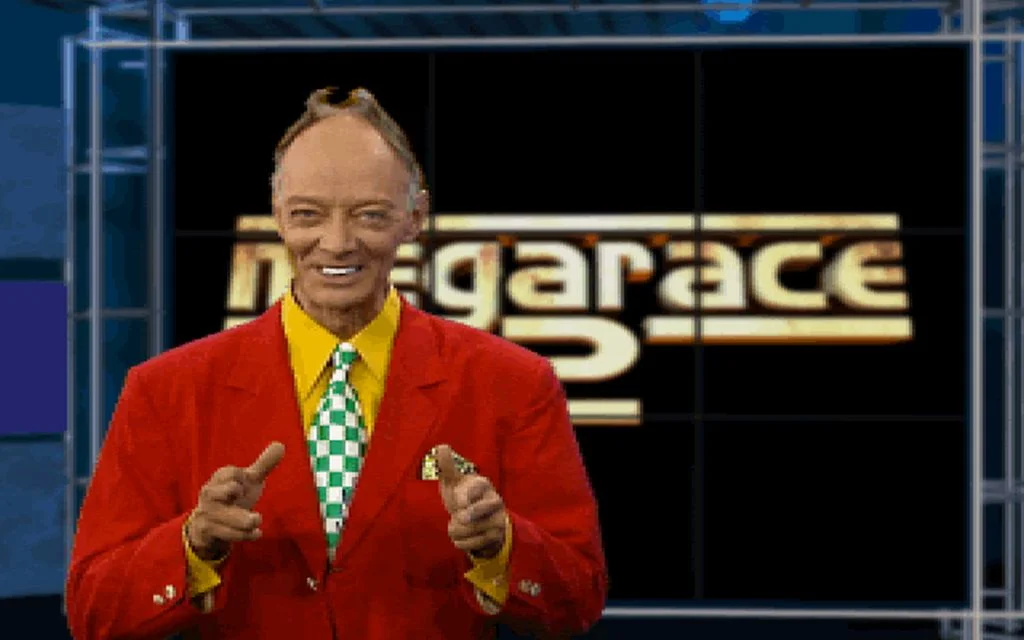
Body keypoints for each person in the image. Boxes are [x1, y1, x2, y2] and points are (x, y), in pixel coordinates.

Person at [65, 87, 608, 640]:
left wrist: (502, 546)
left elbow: (580, 595)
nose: (338, 242)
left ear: (414, 217)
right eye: (308, 215)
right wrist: (193, 543)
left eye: (370, 215)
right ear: (278, 215)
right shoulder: (165, 389)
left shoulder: (514, 383)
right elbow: (93, 610)